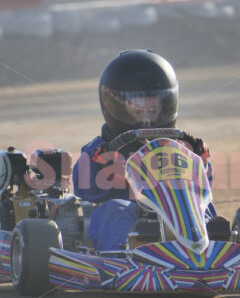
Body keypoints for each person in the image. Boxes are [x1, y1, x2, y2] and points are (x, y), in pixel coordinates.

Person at [73, 50, 215, 251]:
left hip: (172, 212)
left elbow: (203, 189)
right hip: (130, 220)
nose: (147, 119)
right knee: (117, 209)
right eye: (138, 111)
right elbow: (85, 190)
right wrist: (105, 167)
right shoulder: (99, 150)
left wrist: (201, 163)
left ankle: (215, 246)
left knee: (202, 208)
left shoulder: (178, 148)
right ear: (115, 106)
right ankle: (121, 255)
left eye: (153, 110)